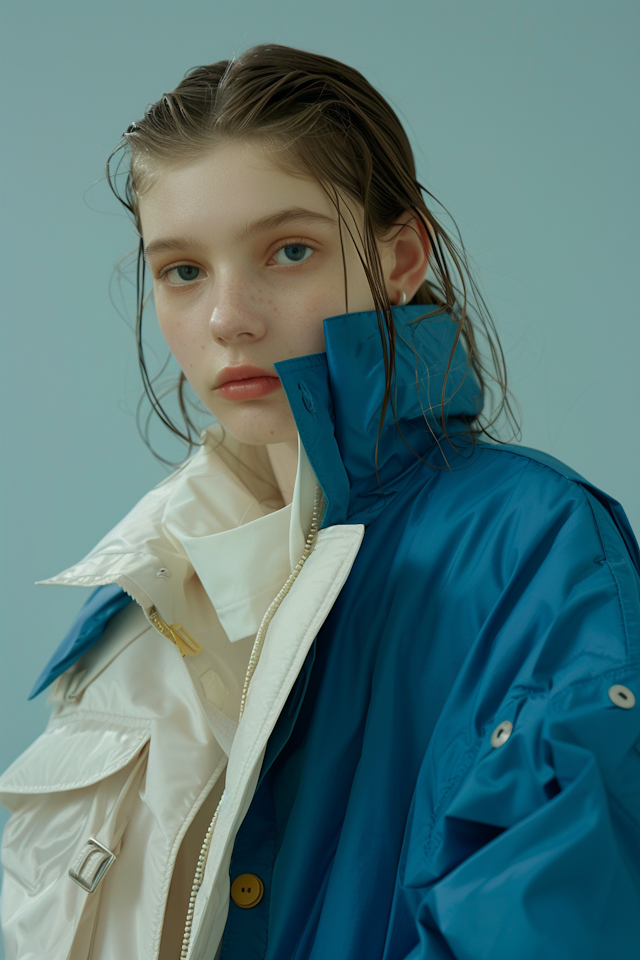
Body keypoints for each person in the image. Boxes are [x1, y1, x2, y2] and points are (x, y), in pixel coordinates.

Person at [1, 42, 638, 960]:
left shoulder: (533, 547)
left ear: (401, 258)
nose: (229, 317)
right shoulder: (146, 591)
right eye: (183, 271)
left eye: (288, 250)